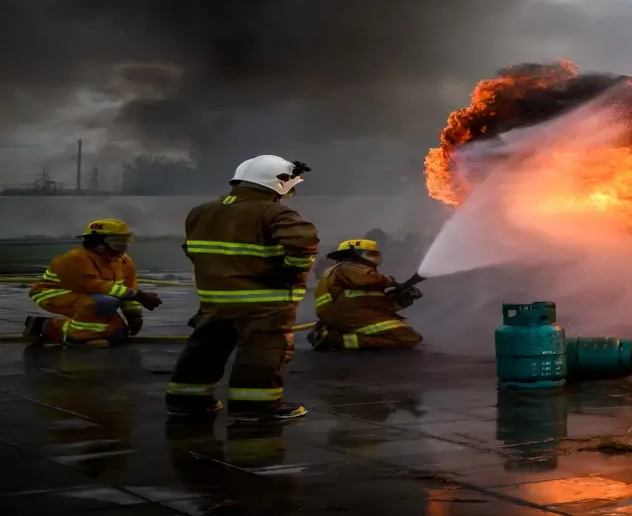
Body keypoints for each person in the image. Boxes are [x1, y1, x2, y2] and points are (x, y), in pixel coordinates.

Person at [165, 155, 318, 422]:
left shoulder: (201, 212)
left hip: (215, 298)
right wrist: (288, 271)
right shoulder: (274, 212)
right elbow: (303, 246)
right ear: (279, 182)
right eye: (291, 185)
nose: (292, 192)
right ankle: (256, 407)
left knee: (205, 348)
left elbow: (194, 252)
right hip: (264, 302)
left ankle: (187, 400)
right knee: (262, 350)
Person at [23, 219, 163, 347]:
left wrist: (133, 314)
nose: (123, 246)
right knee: (104, 302)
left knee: (118, 334)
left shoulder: (124, 261)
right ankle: (77, 338)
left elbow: (128, 288)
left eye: (125, 241)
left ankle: (41, 326)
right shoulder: (75, 259)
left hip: (92, 296)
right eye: (117, 241)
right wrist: (138, 295)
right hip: (52, 293)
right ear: (97, 241)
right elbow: (93, 286)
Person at [307, 238, 423, 351]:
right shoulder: (348, 267)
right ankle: (335, 340)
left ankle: (337, 337)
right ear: (355, 254)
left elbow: (372, 303)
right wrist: (389, 280)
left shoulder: (350, 271)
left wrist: (402, 297)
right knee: (407, 337)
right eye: (371, 254)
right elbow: (366, 279)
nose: (376, 258)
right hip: (349, 315)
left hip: (351, 315)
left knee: (409, 337)